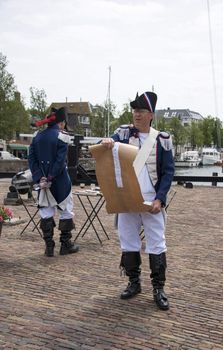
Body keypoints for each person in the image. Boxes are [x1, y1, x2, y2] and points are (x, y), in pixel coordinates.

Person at [101, 91, 174, 310]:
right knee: (128, 241)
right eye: (135, 111)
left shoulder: (162, 139)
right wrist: (106, 141)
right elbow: (107, 144)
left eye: (141, 111)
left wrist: (160, 199)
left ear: (151, 114)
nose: (137, 115)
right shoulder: (123, 133)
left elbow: (168, 173)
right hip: (127, 199)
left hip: (151, 202)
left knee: (156, 243)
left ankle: (158, 288)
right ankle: (134, 283)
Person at [28, 107, 79, 257]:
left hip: (42, 181)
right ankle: (65, 245)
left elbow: (31, 159)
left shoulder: (37, 136)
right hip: (60, 181)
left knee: (46, 212)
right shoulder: (62, 136)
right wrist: (51, 176)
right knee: (66, 210)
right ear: (61, 123)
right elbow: (60, 161)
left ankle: (49, 247)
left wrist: (40, 177)